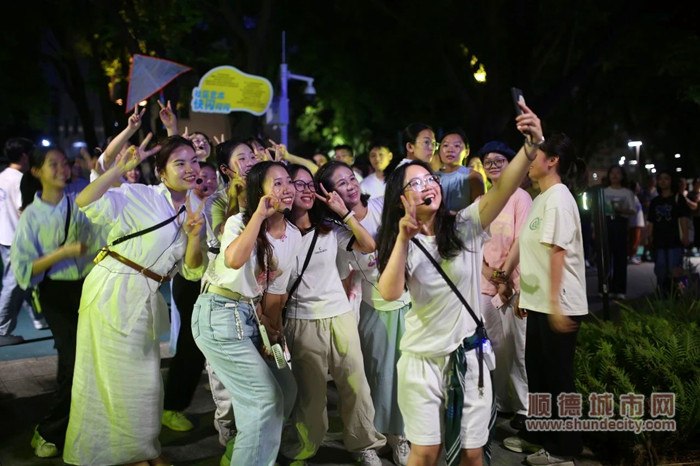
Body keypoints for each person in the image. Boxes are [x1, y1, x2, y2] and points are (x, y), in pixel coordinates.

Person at [377, 102, 543, 466]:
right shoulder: (401, 242)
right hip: (423, 362)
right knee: (425, 452)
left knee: (472, 454)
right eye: (415, 183)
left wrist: (531, 145)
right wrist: (404, 239)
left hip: (470, 359)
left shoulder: (466, 226)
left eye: (429, 178)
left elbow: (504, 190)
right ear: (401, 198)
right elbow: (389, 293)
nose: (427, 185)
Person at [63, 134, 207, 466]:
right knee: (116, 379)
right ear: (160, 171)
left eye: (194, 161)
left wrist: (195, 237)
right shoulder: (137, 194)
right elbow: (86, 201)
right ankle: (126, 455)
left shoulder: (195, 208)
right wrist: (119, 170)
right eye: (179, 163)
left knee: (145, 382)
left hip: (145, 295)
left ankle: (142, 449)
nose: (190, 169)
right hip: (112, 289)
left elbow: (193, 270)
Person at [193, 161, 299, 465]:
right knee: (264, 399)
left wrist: (274, 334)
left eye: (288, 181)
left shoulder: (292, 234)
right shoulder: (239, 222)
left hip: (254, 320)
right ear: (259, 192)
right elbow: (235, 260)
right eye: (277, 183)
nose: (287, 188)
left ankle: (242, 452)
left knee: (285, 390)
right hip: (219, 316)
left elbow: (275, 294)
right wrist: (258, 216)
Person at [281, 164, 386, 465]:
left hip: (339, 315)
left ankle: (364, 443)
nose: (304, 190)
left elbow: (368, 245)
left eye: (308, 184)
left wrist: (344, 213)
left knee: (355, 384)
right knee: (312, 394)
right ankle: (307, 444)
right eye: (295, 184)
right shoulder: (279, 232)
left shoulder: (331, 229)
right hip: (301, 320)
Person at [11, 146, 105, 458]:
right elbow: (23, 268)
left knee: (91, 359)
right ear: (36, 172)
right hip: (55, 293)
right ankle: (48, 429)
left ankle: (81, 425)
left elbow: (98, 241)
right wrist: (62, 253)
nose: (62, 169)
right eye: (53, 164)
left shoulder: (76, 205)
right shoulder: (31, 216)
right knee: (72, 360)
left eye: (64, 164)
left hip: (87, 288)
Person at [318, 161, 411, 465]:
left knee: (409, 376)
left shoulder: (383, 206)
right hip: (376, 309)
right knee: (381, 378)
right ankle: (389, 437)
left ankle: (404, 436)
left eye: (351, 178)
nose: (351, 185)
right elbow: (349, 271)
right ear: (330, 194)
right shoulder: (337, 232)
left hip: (410, 304)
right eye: (341, 183)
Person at [503, 133, 588, 466]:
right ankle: (539, 435)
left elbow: (557, 254)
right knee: (538, 375)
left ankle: (565, 449)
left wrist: (552, 304)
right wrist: (526, 294)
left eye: (534, 155)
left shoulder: (559, 199)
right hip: (540, 303)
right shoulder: (540, 198)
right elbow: (533, 253)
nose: (529, 161)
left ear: (552, 160)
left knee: (558, 380)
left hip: (559, 303)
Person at [478, 142, 532, 432]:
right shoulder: (483, 200)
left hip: (514, 286)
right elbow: (475, 243)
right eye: (488, 161)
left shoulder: (520, 197)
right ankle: (501, 403)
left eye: (500, 160)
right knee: (495, 347)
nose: (494, 165)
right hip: (487, 286)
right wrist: (490, 274)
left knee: (518, 348)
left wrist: (504, 277)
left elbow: (521, 239)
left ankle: (524, 407)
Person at [0, 137, 46, 347]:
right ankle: (1, 330)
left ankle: (37, 317)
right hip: (19, 239)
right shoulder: (21, 179)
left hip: (5, 237)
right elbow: (23, 211)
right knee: (13, 284)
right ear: (25, 156)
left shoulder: (2, 177)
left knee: (23, 281)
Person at [647, 170, 690, 295]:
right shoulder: (655, 201)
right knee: (660, 268)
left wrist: (685, 236)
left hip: (675, 240)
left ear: (671, 181)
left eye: (666, 178)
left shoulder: (678, 199)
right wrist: (648, 237)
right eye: (660, 178)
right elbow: (651, 221)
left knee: (674, 268)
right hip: (659, 240)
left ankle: (676, 294)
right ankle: (662, 293)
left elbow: (683, 219)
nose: (663, 181)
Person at [602, 166, 636, 298]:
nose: (615, 176)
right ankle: (605, 287)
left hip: (620, 222)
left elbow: (632, 210)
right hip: (606, 222)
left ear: (622, 176)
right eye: (612, 173)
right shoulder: (604, 191)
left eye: (618, 173)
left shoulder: (627, 193)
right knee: (605, 256)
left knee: (620, 257)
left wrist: (622, 210)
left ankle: (620, 289)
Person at [436, 131, 484, 212]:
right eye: (445, 145)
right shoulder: (431, 177)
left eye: (456, 146)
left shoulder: (473, 177)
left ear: (467, 152)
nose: (450, 150)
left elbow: (479, 212)